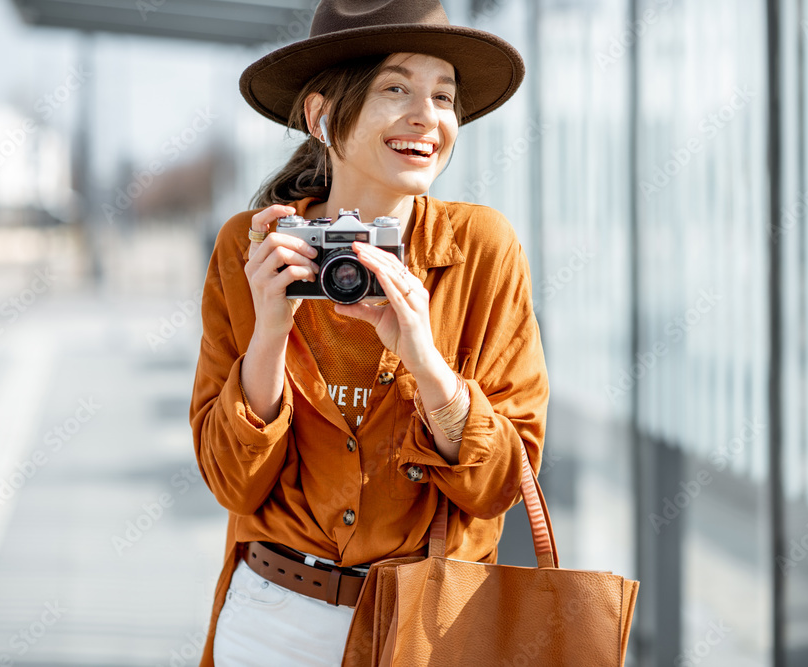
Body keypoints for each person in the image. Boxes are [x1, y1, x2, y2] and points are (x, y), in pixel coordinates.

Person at [188, 1, 549, 665]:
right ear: (322, 115)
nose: (427, 116)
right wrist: (270, 333)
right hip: (274, 622)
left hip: (429, 630)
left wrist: (424, 359)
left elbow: (499, 485)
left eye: (444, 95)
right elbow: (232, 484)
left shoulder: (481, 249)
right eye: (395, 88)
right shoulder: (255, 246)